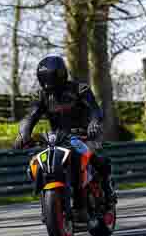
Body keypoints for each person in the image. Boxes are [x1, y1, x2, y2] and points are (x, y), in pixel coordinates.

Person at [13, 55, 117, 218]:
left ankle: (106, 193)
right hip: (57, 139)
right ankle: (51, 202)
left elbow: (95, 110)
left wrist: (94, 123)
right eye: (45, 79)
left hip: (83, 135)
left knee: (92, 158)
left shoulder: (80, 89)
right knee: (37, 162)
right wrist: (23, 134)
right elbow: (30, 117)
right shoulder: (41, 96)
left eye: (52, 78)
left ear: (61, 75)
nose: (49, 84)